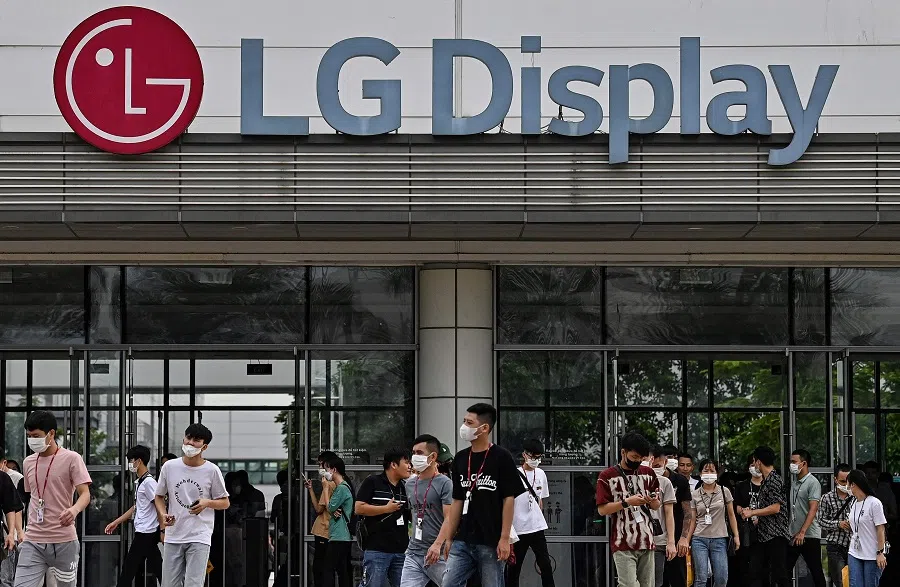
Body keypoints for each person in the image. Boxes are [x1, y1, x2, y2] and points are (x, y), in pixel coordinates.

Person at [441, 403, 525, 587]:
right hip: (462, 539)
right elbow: (457, 500)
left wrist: (504, 538)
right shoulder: (461, 458)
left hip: (491, 540)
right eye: (464, 421)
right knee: (448, 583)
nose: (464, 427)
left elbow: (509, 499)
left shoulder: (502, 457)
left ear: (484, 428)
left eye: (469, 423)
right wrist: (449, 537)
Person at [14, 410, 92, 587]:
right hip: (33, 539)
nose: (32, 440)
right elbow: (33, 497)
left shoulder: (72, 458)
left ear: (51, 434)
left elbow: (85, 494)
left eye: (36, 435)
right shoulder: (28, 462)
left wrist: (74, 509)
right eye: (29, 436)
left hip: (63, 539)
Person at [154, 423, 230, 587]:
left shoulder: (212, 470)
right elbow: (159, 496)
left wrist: (206, 503)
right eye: (188, 438)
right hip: (174, 534)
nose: (190, 443)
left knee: (193, 583)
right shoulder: (169, 466)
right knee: (168, 584)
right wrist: (163, 515)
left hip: (199, 535)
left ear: (204, 446)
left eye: (196, 440)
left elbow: (225, 502)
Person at [597, 432, 662, 587]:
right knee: (629, 585)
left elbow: (657, 505)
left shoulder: (648, 473)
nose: (638, 461)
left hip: (647, 540)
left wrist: (652, 500)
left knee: (647, 584)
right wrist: (627, 502)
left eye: (641, 458)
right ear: (623, 452)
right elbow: (602, 510)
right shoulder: (607, 476)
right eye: (634, 457)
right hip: (622, 541)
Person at [104, 445, 163, 587]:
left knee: (129, 568)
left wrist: (162, 530)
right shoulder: (140, 482)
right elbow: (137, 507)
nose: (130, 464)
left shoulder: (149, 482)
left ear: (139, 461)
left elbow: (160, 506)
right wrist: (117, 522)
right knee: (157, 567)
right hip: (144, 531)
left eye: (131, 460)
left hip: (146, 532)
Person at [400, 434, 453, 587]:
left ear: (433, 456)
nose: (415, 457)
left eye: (419, 453)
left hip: (439, 553)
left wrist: (437, 545)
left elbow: (449, 518)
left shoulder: (445, 483)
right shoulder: (410, 484)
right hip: (414, 552)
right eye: (413, 452)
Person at [355, 448, 412, 587]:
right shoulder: (373, 482)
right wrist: (385, 509)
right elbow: (358, 508)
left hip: (401, 551)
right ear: (393, 464)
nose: (410, 466)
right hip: (377, 549)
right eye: (407, 462)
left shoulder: (405, 487)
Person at [506, 438, 555, 587]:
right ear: (524, 455)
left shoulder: (541, 474)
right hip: (519, 528)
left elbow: (541, 500)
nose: (535, 460)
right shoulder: (514, 474)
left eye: (538, 457)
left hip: (537, 527)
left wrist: (538, 513)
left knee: (545, 564)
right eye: (532, 457)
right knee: (514, 568)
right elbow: (508, 503)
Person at [740, 446, 790, 587]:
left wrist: (753, 512)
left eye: (755, 461)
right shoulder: (766, 480)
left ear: (758, 462)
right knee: (758, 572)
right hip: (765, 534)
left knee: (780, 574)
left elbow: (776, 507)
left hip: (776, 535)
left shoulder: (774, 480)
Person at [685, 459, 739, 587]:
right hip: (699, 539)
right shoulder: (695, 494)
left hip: (719, 538)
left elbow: (731, 515)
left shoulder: (725, 491)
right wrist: (687, 540)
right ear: (700, 473)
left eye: (712, 470)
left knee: (721, 579)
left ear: (717, 473)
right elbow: (692, 519)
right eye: (706, 470)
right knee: (701, 578)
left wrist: (736, 536)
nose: (709, 473)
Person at [787, 449, 826, 587]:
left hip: (808, 535)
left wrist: (802, 532)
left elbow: (813, 509)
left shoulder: (812, 482)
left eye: (794, 462)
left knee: (816, 571)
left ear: (803, 463)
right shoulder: (795, 482)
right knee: (784, 572)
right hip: (793, 534)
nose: (791, 464)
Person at [843, 469, 888, 587]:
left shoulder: (874, 503)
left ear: (853, 484)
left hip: (872, 554)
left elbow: (880, 528)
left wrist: (880, 552)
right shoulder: (853, 502)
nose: (846, 487)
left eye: (847, 484)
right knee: (854, 584)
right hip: (854, 552)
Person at [659, 445, 692, 587]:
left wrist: (684, 537)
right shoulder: (648, 478)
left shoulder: (680, 481)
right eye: (667, 456)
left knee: (678, 577)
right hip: (656, 535)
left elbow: (688, 512)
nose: (670, 459)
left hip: (676, 535)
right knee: (658, 578)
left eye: (673, 457)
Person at [817, 464, 854, 587]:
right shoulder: (826, 498)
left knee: (853, 581)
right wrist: (838, 524)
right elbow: (821, 521)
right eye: (843, 481)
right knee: (840, 581)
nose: (846, 485)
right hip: (836, 545)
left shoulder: (856, 497)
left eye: (848, 482)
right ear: (835, 480)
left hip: (854, 546)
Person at [306, 451, 337, 587]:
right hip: (326, 530)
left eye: (321, 464)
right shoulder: (333, 484)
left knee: (320, 568)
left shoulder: (329, 485)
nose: (319, 468)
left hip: (324, 529)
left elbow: (319, 509)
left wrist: (311, 491)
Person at [733, 454, 764, 587]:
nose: (755, 467)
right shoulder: (742, 486)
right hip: (746, 531)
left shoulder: (769, 485)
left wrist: (758, 514)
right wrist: (743, 511)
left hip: (764, 531)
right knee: (744, 566)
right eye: (752, 465)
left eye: (757, 464)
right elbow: (735, 506)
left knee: (761, 567)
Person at [648, 446, 677, 587]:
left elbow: (669, 513)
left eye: (658, 465)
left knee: (656, 582)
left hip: (658, 539)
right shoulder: (632, 479)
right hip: (637, 539)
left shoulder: (665, 482)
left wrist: (670, 542)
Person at [322, 456, 353, 587]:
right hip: (343, 536)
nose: (325, 472)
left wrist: (325, 488)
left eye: (326, 469)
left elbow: (329, 507)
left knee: (328, 569)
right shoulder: (344, 487)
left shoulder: (341, 488)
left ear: (334, 469)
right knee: (342, 570)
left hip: (339, 536)